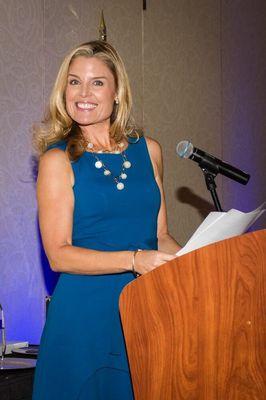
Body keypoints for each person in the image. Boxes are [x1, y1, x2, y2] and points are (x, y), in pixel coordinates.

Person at [32, 40, 181, 400]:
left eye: (97, 82)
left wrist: (197, 260)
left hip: (146, 312)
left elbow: (159, 235)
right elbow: (59, 255)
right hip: (84, 319)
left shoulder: (150, 150)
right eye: (73, 81)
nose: (83, 93)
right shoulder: (58, 160)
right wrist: (134, 259)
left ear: (117, 93)